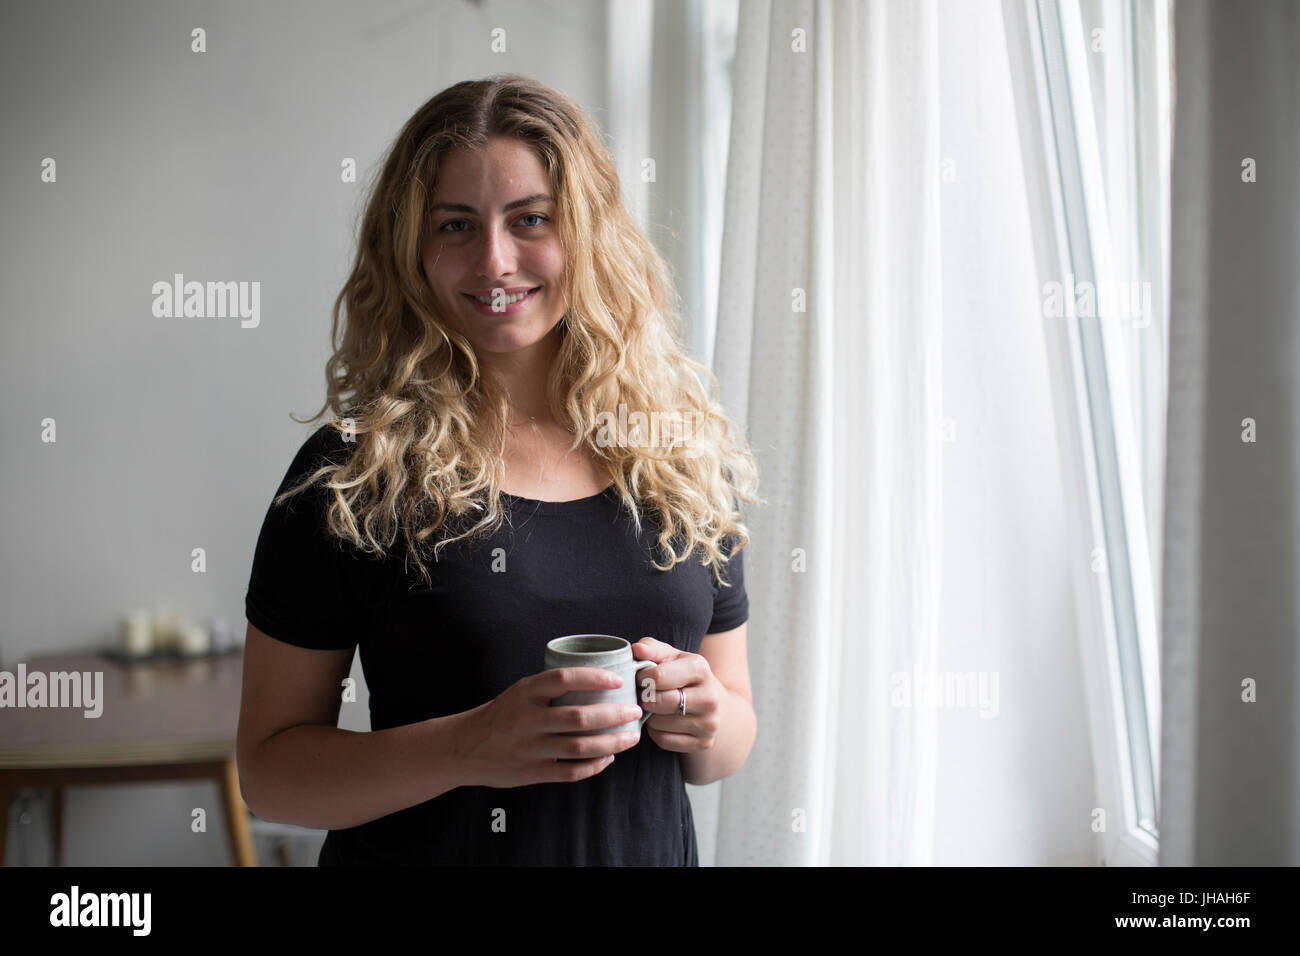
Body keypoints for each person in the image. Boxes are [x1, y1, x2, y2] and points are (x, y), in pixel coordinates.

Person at [236, 74, 761, 866]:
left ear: (587, 233)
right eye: (455, 225)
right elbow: (270, 776)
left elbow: (727, 739)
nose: (494, 260)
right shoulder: (353, 472)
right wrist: (471, 746)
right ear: (410, 249)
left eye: (531, 220)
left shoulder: (677, 451)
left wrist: (709, 719)